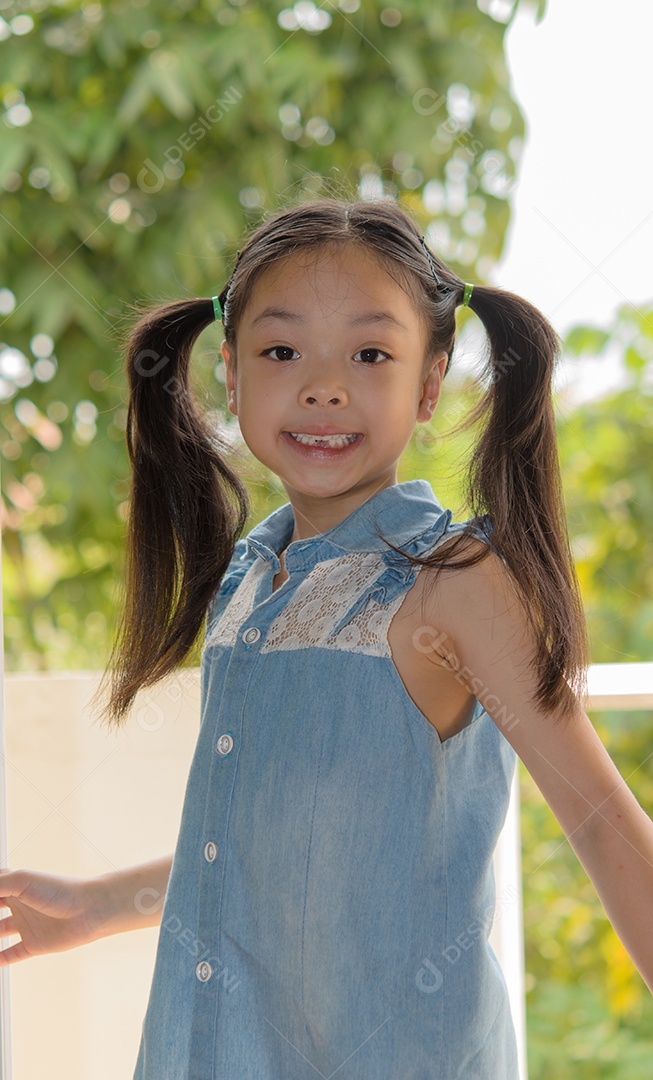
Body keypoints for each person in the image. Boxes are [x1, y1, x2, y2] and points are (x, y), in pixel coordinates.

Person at [1, 197, 652, 1079]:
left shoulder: (452, 584)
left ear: (429, 384)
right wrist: (92, 909)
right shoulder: (248, 580)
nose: (323, 385)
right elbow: (251, 852)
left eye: (370, 353)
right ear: (228, 374)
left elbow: (604, 824)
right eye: (281, 351)